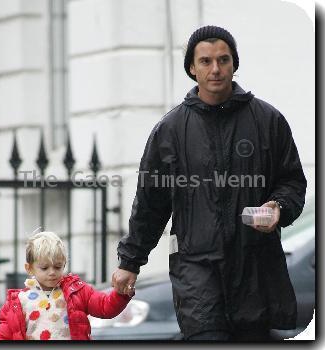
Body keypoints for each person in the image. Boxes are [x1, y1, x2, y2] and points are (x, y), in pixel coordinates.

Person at [112, 25, 307, 341]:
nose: (215, 69)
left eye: (223, 60)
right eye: (205, 61)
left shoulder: (268, 121)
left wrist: (279, 208)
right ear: (192, 68)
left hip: (254, 272)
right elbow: (150, 204)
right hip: (197, 272)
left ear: (234, 64)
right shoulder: (170, 131)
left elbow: (292, 183)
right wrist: (130, 262)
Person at [0, 231, 132, 340]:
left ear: (64, 264)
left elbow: (105, 307)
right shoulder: (18, 301)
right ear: (29, 268)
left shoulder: (78, 291)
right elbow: (4, 335)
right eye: (44, 268)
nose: (52, 272)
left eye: (58, 267)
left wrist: (120, 293)